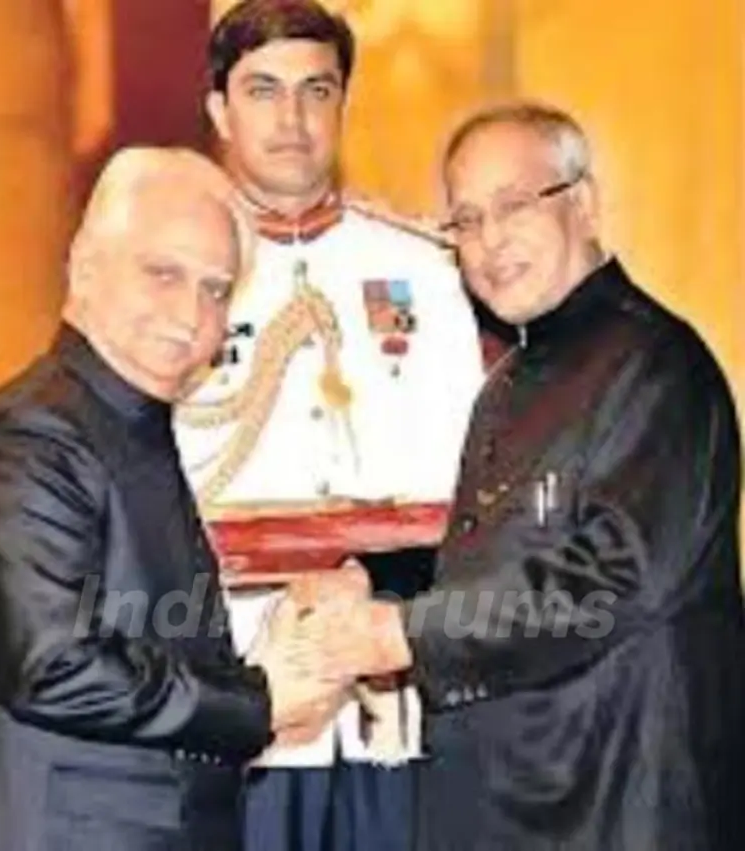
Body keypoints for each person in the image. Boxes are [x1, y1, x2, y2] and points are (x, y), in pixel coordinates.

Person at [302, 102, 745, 850]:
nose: (488, 242)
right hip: (521, 796)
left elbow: (603, 583)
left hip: (615, 801)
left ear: (584, 202)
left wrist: (402, 633)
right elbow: (495, 563)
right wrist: (367, 576)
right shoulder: (513, 378)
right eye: (465, 220)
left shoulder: (654, 367)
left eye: (512, 206)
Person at [0, 147, 345, 851]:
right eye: (162, 273)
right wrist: (256, 701)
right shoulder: (34, 435)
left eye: (217, 290)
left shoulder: (120, 422)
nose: (190, 314)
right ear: (86, 266)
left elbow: (144, 638)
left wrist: (274, 665)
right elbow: (53, 666)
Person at [173, 1, 483, 849]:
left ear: (343, 102)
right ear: (218, 108)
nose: (292, 118)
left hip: (395, 680)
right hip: (238, 673)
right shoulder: (175, 273)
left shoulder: (423, 267)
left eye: (317, 90)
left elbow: (474, 475)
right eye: (263, 90)